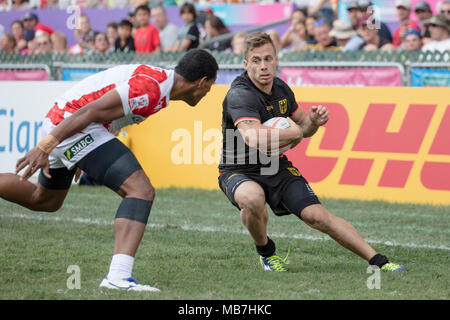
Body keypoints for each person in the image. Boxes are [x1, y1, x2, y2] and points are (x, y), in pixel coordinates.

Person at [0, 49, 218, 292]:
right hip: (70, 125)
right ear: (202, 82)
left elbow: (107, 113)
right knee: (140, 190)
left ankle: (118, 277)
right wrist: (45, 146)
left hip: (69, 124)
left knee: (44, 200)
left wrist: (88, 155)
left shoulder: (159, 87)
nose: (208, 92)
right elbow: (89, 111)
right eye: (210, 86)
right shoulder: (151, 88)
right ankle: (118, 277)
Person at [218, 32, 406, 274]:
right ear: (245, 64)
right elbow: (252, 136)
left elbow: (304, 129)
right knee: (253, 199)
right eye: (255, 60)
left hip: (274, 166)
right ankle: (266, 252)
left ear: (276, 60)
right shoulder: (239, 94)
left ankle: (379, 261)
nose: (263, 66)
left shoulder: (281, 89)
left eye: (268, 59)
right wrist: (297, 132)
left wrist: (314, 122)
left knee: (317, 216)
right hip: (237, 169)